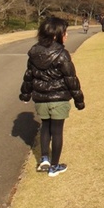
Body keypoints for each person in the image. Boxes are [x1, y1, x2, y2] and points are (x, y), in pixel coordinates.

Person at [19, 16, 85, 177]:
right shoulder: (62, 54)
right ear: (55, 35)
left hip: (41, 99)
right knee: (57, 131)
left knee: (45, 128)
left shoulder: (34, 52)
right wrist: (79, 100)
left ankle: (44, 159)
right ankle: (54, 166)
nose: (67, 35)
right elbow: (71, 79)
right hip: (59, 99)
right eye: (65, 32)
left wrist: (25, 94)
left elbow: (29, 76)